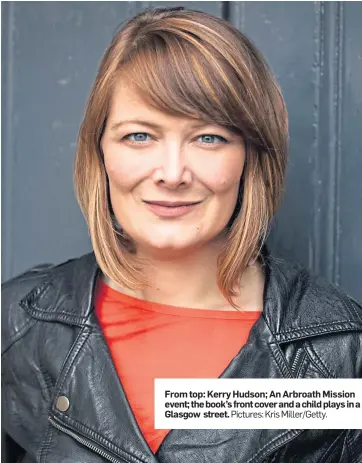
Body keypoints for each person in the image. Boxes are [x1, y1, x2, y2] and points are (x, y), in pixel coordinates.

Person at [2, 6, 361, 463]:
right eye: (139, 136)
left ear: (252, 157)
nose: (172, 174)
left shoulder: (339, 354)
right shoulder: (17, 327)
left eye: (209, 138)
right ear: (100, 152)